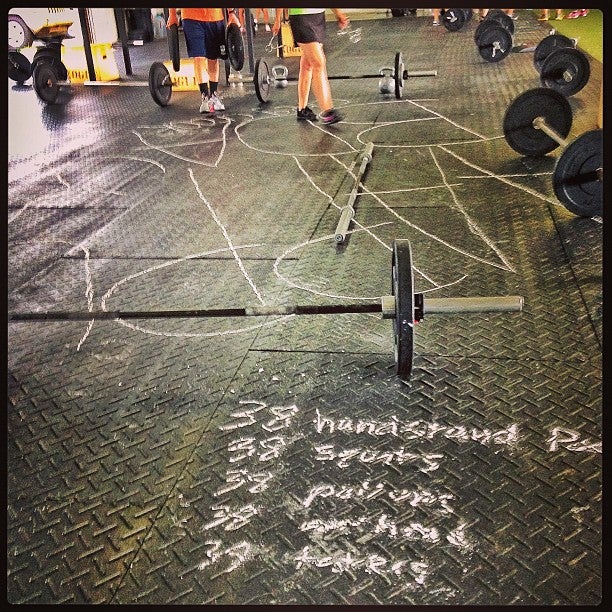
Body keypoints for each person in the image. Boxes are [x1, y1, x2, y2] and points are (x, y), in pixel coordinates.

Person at [272, 8, 349, 124]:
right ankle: (328, 111)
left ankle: (302, 109)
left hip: (318, 17)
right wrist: (277, 20)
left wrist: (338, 13)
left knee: (308, 64)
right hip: (301, 17)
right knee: (318, 63)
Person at [166, 8, 240, 114]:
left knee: (213, 58)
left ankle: (213, 96)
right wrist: (172, 14)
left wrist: (231, 13)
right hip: (191, 17)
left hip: (215, 16)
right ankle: (204, 97)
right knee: (198, 57)